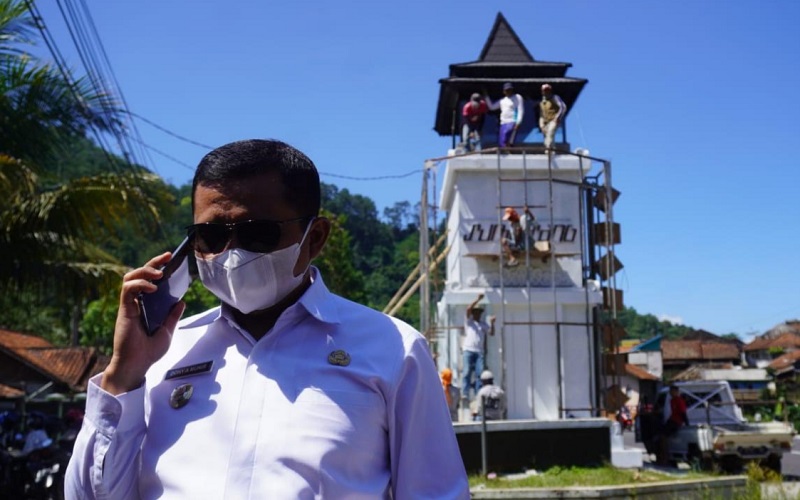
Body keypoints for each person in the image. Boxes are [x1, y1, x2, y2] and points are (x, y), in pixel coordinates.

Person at [65, 139, 470, 499]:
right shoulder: (162, 355)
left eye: (257, 234)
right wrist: (123, 374)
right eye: (211, 236)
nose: (232, 252)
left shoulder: (393, 349)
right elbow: (91, 495)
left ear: (315, 238)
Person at [461, 294, 495, 399]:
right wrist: (477, 299)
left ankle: (478, 393)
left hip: (479, 351)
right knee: (466, 372)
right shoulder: (469, 322)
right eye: (476, 312)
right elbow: (468, 309)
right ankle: (465, 393)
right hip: (468, 350)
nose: (477, 314)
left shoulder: (482, 324)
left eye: (479, 313)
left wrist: (492, 323)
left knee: (479, 373)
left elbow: (491, 333)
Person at [485, 82, 524, 147]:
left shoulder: (517, 97)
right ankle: (506, 155)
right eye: (506, 90)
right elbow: (492, 107)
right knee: (502, 142)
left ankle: (510, 153)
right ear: (504, 91)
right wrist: (486, 96)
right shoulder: (502, 101)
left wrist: (518, 122)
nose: (508, 91)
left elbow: (520, 110)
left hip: (512, 121)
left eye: (509, 89)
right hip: (503, 123)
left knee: (510, 141)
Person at [657, 385, 689, 465]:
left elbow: (683, 412)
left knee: (663, 437)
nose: (670, 393)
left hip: (676, 421)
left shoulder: (679, 400)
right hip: (671, 420)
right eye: (670, 391)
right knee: (660, 435)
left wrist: (686, 423)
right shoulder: (672, 401)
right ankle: (664, 456)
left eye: (672, 391)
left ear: (676, 392)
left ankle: (665, 458)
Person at [538, 83, 567, 152]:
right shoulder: (542, 102)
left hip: (553, 121)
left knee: (550, 133)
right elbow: (541, 115)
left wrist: (557, 117)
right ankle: (552, 151)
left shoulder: (555, 97)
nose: (546, 92)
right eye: (544, 90)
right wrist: (541, 125)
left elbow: (563, 107)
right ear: (542, 91)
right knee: (548, 137)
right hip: (545, 123)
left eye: (547, 90)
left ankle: (548, 150)